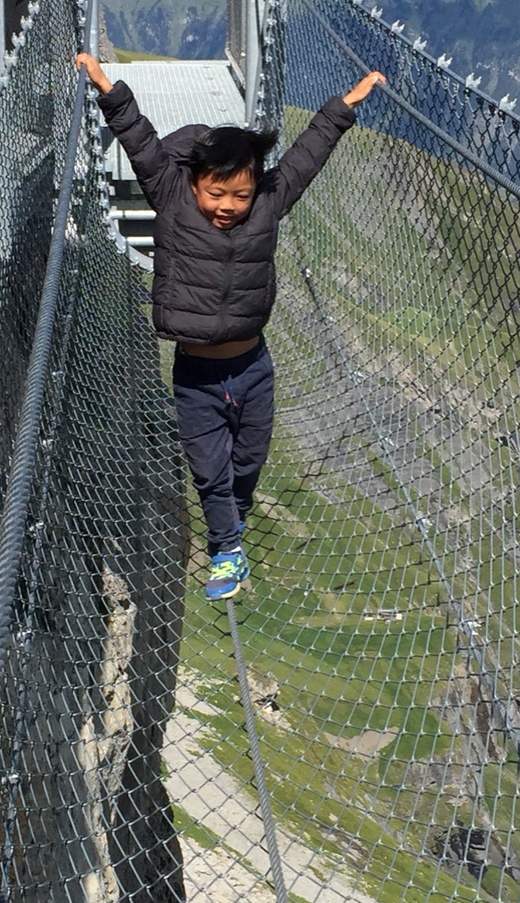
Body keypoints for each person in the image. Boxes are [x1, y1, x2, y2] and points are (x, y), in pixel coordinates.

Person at [75, 53, 385, 599]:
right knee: (209, 470)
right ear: (193, 183)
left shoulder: (268, 204)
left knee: (247, 462)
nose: (227, 206)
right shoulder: (172, 200)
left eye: (240, 196)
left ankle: (230, 528)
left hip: (253, 369)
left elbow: (305, 159)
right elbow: (142, 145)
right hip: (196, 376)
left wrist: (342, 109)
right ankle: (225, 549)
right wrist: (108, 88)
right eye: (216, 194)